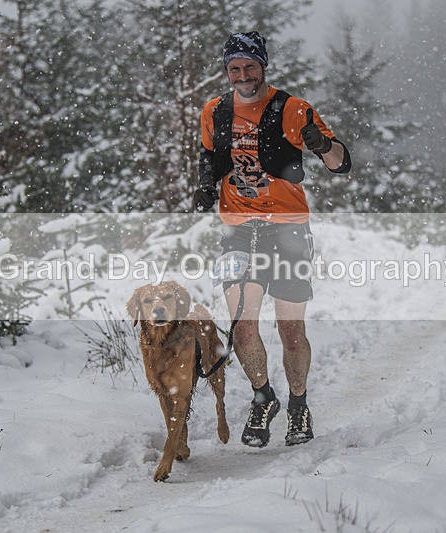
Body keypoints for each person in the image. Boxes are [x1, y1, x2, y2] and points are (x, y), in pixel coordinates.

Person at [194, 31, 351, 448]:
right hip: (238, 231)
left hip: (289, 231)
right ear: (226, 72)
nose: (242, 75)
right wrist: (206, 184)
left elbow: (341, 164)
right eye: (234, 69)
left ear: (263, 66)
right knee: (243, 327)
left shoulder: (293, 109)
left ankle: (298, 405)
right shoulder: (215, 110)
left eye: (249, 66)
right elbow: (209, 155)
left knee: (290, 331)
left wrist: (323, 144)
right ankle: (263, 397)